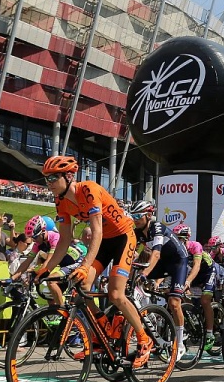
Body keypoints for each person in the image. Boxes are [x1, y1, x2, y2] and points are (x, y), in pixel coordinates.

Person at [35, 156, 152, 368]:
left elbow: (96, 231)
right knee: (83, 287)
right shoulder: (61, 201)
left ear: (68, 176)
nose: (49, 183)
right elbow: (64, 241)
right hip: (105, 242)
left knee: (116, 294)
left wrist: (84, 265)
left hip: (123, 236)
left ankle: (145, 339)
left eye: (53, 178)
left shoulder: (88, 190)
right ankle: (102, 332)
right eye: (46, 179)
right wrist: (46, 268)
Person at [130, 200, 188, 360]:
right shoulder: (137, 232)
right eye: (132, 216)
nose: (135, 219)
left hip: (178, 261)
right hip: (163, 262)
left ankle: (180, 343)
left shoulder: (157, 228)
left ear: (148, 215)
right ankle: (152, 318)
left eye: (138, 216)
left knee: (174, 302)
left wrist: (145, 273)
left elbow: (155, 254)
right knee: (132, 280)